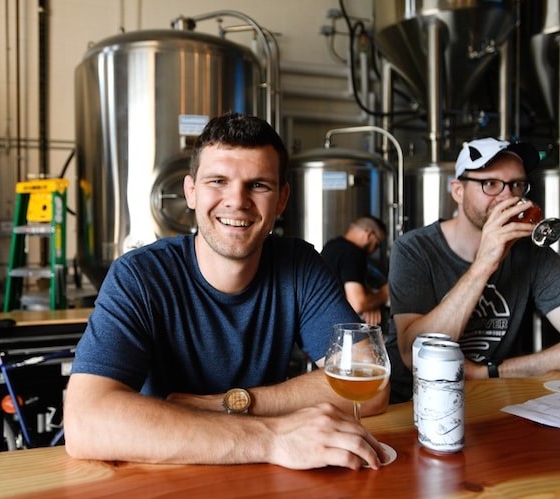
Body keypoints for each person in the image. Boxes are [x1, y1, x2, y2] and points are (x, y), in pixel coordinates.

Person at [64, 113, 390, 470]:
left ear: (281, 200)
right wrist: (271, 438)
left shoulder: (300, 266)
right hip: (166, 475)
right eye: (218, 181)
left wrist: (233, 402)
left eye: (259, 185)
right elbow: (85, 422)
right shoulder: (140, 276)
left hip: (269, 479)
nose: (237, 200)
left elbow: (369, 384)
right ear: (191, 192)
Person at [387, 137, 560, 403]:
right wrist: (484, 264)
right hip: (411, 403)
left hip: (492, 397)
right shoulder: (414, 249)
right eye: (490, 184)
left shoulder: (533, 253)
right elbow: (413, 354)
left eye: (517, 185)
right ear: (458, 191)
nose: (508, 196)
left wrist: (491, 372)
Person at [321, 216, 389, 325]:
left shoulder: (331, 245)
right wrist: (384, 294)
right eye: (377, 244)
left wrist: (371, 303)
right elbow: (357, 304)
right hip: (338, 327)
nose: (375, 250)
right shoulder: (353, 253)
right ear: (369, 234)